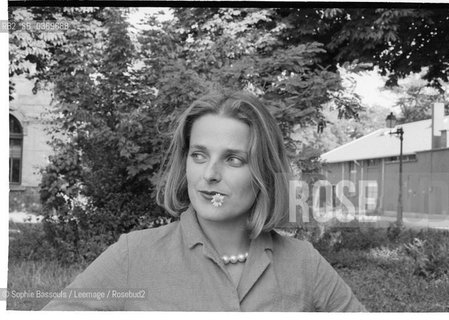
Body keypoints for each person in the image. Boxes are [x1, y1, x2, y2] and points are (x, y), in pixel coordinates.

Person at [43, 90, 366, 311]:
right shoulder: (133, 256)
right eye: (199, 155)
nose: (210, 174)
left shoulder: (303, 264)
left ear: (264, 172)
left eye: (233, 160)